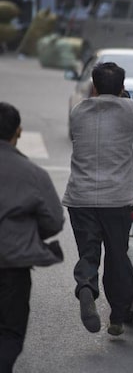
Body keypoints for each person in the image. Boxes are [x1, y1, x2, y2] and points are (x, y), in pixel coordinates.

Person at [63, 62, 133, 336]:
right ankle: (117, 317)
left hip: (81, 198)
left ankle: (86, 287)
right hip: (117, 200)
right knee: (117, 256)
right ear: (122, 87)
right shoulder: (129, 110)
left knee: (89, 252)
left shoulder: (78, 112)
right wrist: (124, 99)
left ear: (94, 86)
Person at [0, 102, 64, 372]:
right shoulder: (33, 174)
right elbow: (54, 220)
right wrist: (27, 233)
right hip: (12, 268)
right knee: (9, 333)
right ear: (19, 132)